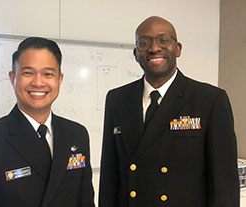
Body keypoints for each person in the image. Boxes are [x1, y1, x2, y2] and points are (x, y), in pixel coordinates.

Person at [99, 16, 239, 207]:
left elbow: (224, 182)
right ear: (136, 53)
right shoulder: (117, 99)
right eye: (144, 42)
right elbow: (109, 175)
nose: (154, 48)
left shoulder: (210, 100)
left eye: (163, 40)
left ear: (178, 48)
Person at [0, 37, 95, 207]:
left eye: (48, 74)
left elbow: (85, 201)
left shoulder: (76, 134)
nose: (38, 82)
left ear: (59, 79)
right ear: (13, 78)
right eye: (28, 73)